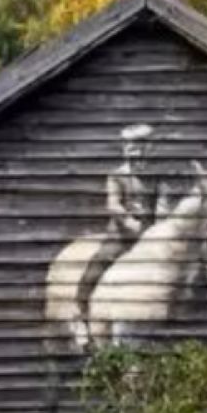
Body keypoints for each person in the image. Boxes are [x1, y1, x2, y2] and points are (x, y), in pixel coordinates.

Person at [71, 124, 170, 344]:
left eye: (141, 145)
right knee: (99, 261)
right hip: (122, 235)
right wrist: (128, 221)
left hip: (149, 238)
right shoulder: (117, 176)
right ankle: (80, 312)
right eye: (131, 145)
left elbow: (163, 204)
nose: (136, 150)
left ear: (150, 147)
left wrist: (160, 227)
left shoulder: (157, 177)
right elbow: (113, 204)